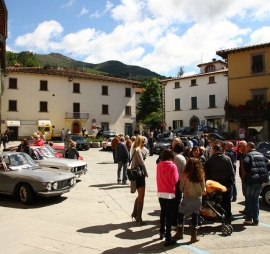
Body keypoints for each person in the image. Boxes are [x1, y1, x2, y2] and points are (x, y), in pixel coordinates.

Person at [172, 158, 206, 243]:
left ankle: (180, 232)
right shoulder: (201, 174)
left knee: (181, 213)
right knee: (195, 215)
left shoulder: (185, 175)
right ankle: (194, 235)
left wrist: (185, 191)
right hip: (198, 198)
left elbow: (181, 187)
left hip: (187, 196)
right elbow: (203, 188)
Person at [205, 144, 235, 223]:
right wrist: (232, 182)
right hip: (225, 183)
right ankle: (227, 217)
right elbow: (232, 172)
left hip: (214, 183)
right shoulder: (227, 158)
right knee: (226, 201)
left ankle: (217, 215)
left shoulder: (210, 159)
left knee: (215, 200)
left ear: (214, 150)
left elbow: (207, 172)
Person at [156, 149, 179, 246]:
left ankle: (161, 231)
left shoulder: (159, 165)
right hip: (170, 192)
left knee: (163, 212)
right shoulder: (173, 166)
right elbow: (175, 180)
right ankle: (168, 237)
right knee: (169, 215)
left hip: (161, 191)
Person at [243, 142, 269, 225]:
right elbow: (268, 162)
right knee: (256, 200)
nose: (246, 148)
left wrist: (247, 171)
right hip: (260, 180)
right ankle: (256, 219)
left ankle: (249, 218)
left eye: (246, 146)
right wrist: (265, 171)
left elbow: (246, 162)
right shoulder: (261, 155)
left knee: (249, 199)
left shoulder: (249, 155)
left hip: (251, 180)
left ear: (249, 147)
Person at [130, 135, 148, 225]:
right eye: (143, 141)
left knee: (140, 195)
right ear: (139, 141)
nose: (144, 143)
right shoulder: (137, 150)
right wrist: (146, 172)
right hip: (139, 175)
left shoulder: (136, 149)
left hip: (137, 175)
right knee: (141, 196)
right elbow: (142, 162)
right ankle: (138, 217)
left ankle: (135, 213)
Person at [171, 142, 186, 230]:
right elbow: (185, 171)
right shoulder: (181, 158)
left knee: (171, 202)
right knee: (177, 202)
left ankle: (170, 221)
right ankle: (175, 222)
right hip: (178, 181)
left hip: (169, 182)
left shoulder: (170, 156)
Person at [238, 140, 247, 214]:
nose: (238, 147)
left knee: (248, 195)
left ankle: (249, 212)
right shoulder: (242, 154)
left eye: (240, 146)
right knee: (245, 194)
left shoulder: (247, 155)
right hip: (243, 177)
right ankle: (247, 209)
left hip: (247, 178)